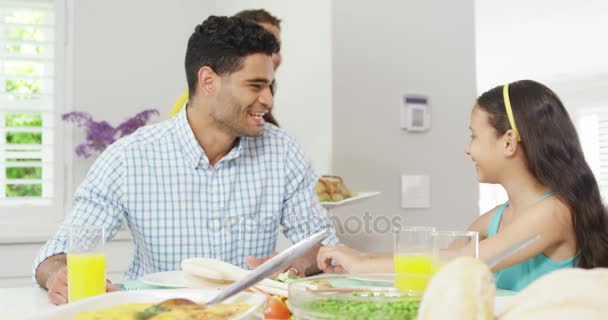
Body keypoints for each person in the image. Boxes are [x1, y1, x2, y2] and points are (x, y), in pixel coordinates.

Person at [34, 15, 337, 305]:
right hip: (155, 312)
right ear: (208, 81)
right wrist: (60, 277)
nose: (269, 100)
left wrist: (293, 266)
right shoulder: (130, 157)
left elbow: (320, 247)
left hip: (248, 313)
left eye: (270, 86)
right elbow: (56, 254)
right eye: (255, 86)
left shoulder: (283, 153)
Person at [317, 80, 608, 291]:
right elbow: (435, 260)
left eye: (474, 137)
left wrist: (362, 263)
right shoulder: (495, 219)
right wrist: (359, 258)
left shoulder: (554, 213)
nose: (468, 150)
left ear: (507, 142)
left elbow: (461, 261)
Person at [168, 9, 282, 127]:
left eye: (276, 48)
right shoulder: (193, 100)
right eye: (256, 44)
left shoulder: (277, 140)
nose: (272, 57)